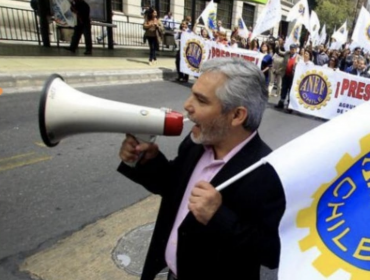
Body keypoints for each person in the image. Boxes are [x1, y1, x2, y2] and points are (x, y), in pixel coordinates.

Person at [117, 57, 286, 280]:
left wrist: (219, 216)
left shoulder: (269, 172)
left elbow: (273, 252)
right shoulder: (196, 142)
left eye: (201, 100)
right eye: (192, 94)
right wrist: (148, 161)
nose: (187, 105)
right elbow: (174, 188)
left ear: (237, 115)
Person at [275, 43, 298, 110]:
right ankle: (281, 102)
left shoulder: (298, 57)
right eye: (291, 49)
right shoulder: (287, 54)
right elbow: (279, 52)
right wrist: (278, 46)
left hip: (293, 77)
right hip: (285, 75)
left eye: (293, 49)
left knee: (291, 90)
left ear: (296, 50)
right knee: (284, 89)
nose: (292, 50)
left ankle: (289, 105)